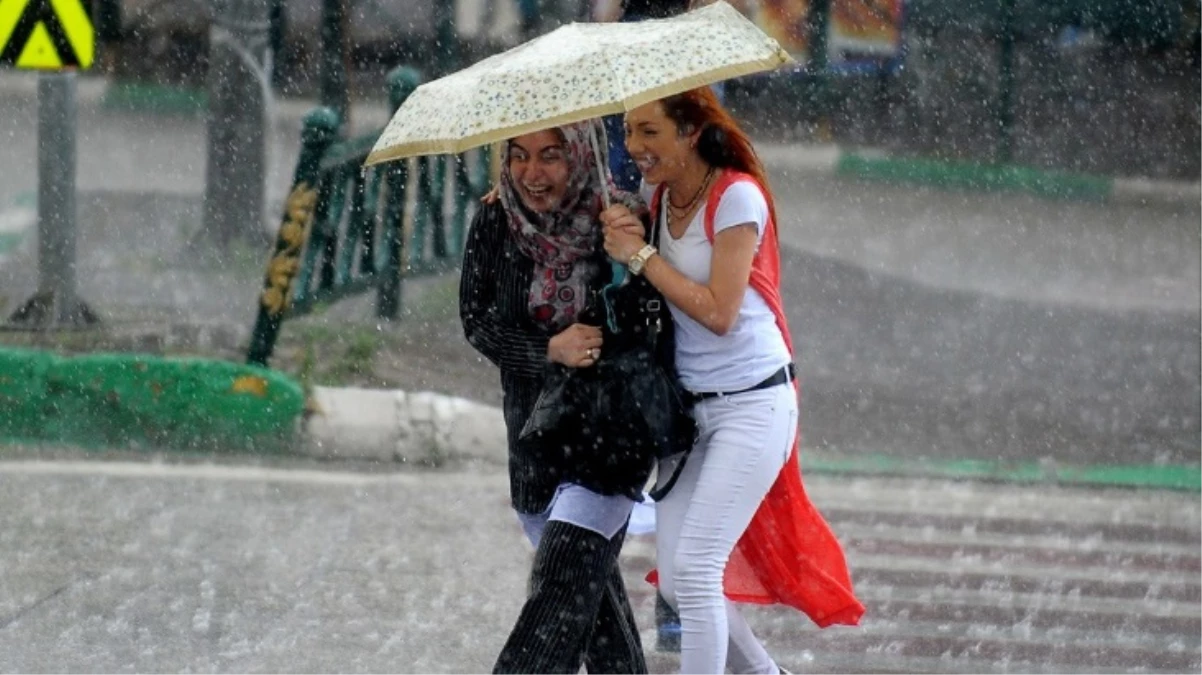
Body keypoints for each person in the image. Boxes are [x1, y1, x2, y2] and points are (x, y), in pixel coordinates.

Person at [600, 86, 865, 674]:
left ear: (690, 132)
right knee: (678, 576)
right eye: (627, 131)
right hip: (690, 414)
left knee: (695, 569)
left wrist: (642, 255)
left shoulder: (737, 196)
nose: (633, 146)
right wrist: (626, 231)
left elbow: (719, 312)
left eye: (649, 132)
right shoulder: (660, 193)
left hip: (754, 403)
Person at [459, 119, 652, 674]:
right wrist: (549, 349)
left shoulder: (621, 219)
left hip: (611, 436)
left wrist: (633, 254)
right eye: (518, 156)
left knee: (558, 592)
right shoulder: (495, 219)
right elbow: (477, 321)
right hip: (534, 437)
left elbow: (653, 321)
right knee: (595, 614)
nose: (532, 173)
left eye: (550, 156)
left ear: (582, 154)